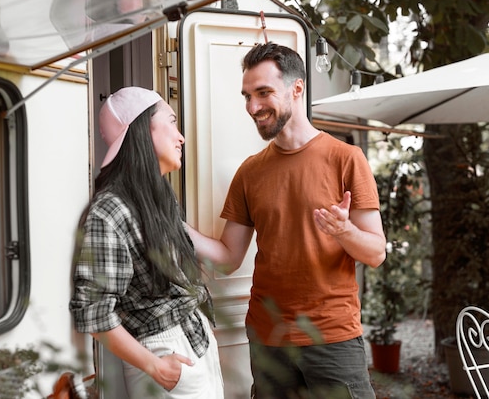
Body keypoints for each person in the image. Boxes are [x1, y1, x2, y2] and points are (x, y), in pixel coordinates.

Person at [185, 42, 387, 399]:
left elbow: (374, 253)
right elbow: (230, 257)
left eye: (263, 93)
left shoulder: (346, 159)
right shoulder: (250, 172)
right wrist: (173, 225)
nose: (253, 106)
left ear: (297, 89)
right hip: (268, 339)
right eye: (247, 95)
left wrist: (345, 231)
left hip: (331, 339)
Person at [69, 87, 223, 399]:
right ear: (141, 130)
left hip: (195, 342)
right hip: (163, 351)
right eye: (172, 122)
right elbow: (94, 312)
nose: (180, 137)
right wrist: (156, 367)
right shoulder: (109, 211)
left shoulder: (158, 199)